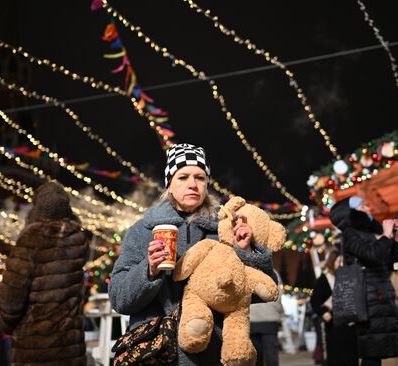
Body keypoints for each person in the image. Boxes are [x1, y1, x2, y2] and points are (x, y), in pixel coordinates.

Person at [109, 143, 276, 365]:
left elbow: (262, 292)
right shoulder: (143, 231)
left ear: (207, 183)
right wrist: (148, 271)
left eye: (200, 177)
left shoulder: (224, 228)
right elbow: (119, 299)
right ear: (169, 184)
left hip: (212, 352)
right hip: (156, 352)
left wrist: (245, 250)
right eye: (183, 177)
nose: (192, 184)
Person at [0, 180, 89, 366]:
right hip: (69, 348)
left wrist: (7, 325)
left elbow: (11, 298)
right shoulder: (78, 242)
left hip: (33, 347)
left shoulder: (29, 242)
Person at [329, 196, 398, 366]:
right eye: (362, 206)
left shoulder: (368, 233)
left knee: (378, 351)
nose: (367, 208)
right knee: (372, 352)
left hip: (381, 297)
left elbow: (390, 262)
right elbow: (371, 255)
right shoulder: (350, 234)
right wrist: (385, 236)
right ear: (351, 213)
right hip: (368, 300)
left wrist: (393, 239)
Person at [310, 248, 358, 366]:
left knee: (351, 356)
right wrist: (323, 313)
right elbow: (315, 300)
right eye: (337, 262)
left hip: (349, 324)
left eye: (342, 262)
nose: (340, 265)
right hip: (333, 324)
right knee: (336, 356)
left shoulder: (349, 277)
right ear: (332, 262)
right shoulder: (325, 278)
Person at [249, 269, 284, 366]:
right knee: (271, 354)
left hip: (251, 318)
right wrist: (279, 312)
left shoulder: (246, 269)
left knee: (255, 357)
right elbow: (279, 294)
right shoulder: (273, 272)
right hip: (270, 317)